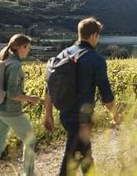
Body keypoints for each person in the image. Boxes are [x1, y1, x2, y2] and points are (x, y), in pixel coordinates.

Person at [44, 17, 121, 176]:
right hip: (81, 119)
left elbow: (50, 88)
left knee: (85, 156)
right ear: (94, 35)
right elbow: (106, 95)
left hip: (64, 115)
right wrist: (115, 115)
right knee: (70, 160)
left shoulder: (63, 53)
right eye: (98, 36)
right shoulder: (96, 59)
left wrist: (48, 114)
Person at [0, 34, 42, 176]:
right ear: (20, 48)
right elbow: (12, 94)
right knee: (30, 140)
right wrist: (30, 98)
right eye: (27, 48)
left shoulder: (5, 60)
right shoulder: (16, 65)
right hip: (12, 112)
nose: (28, 51)